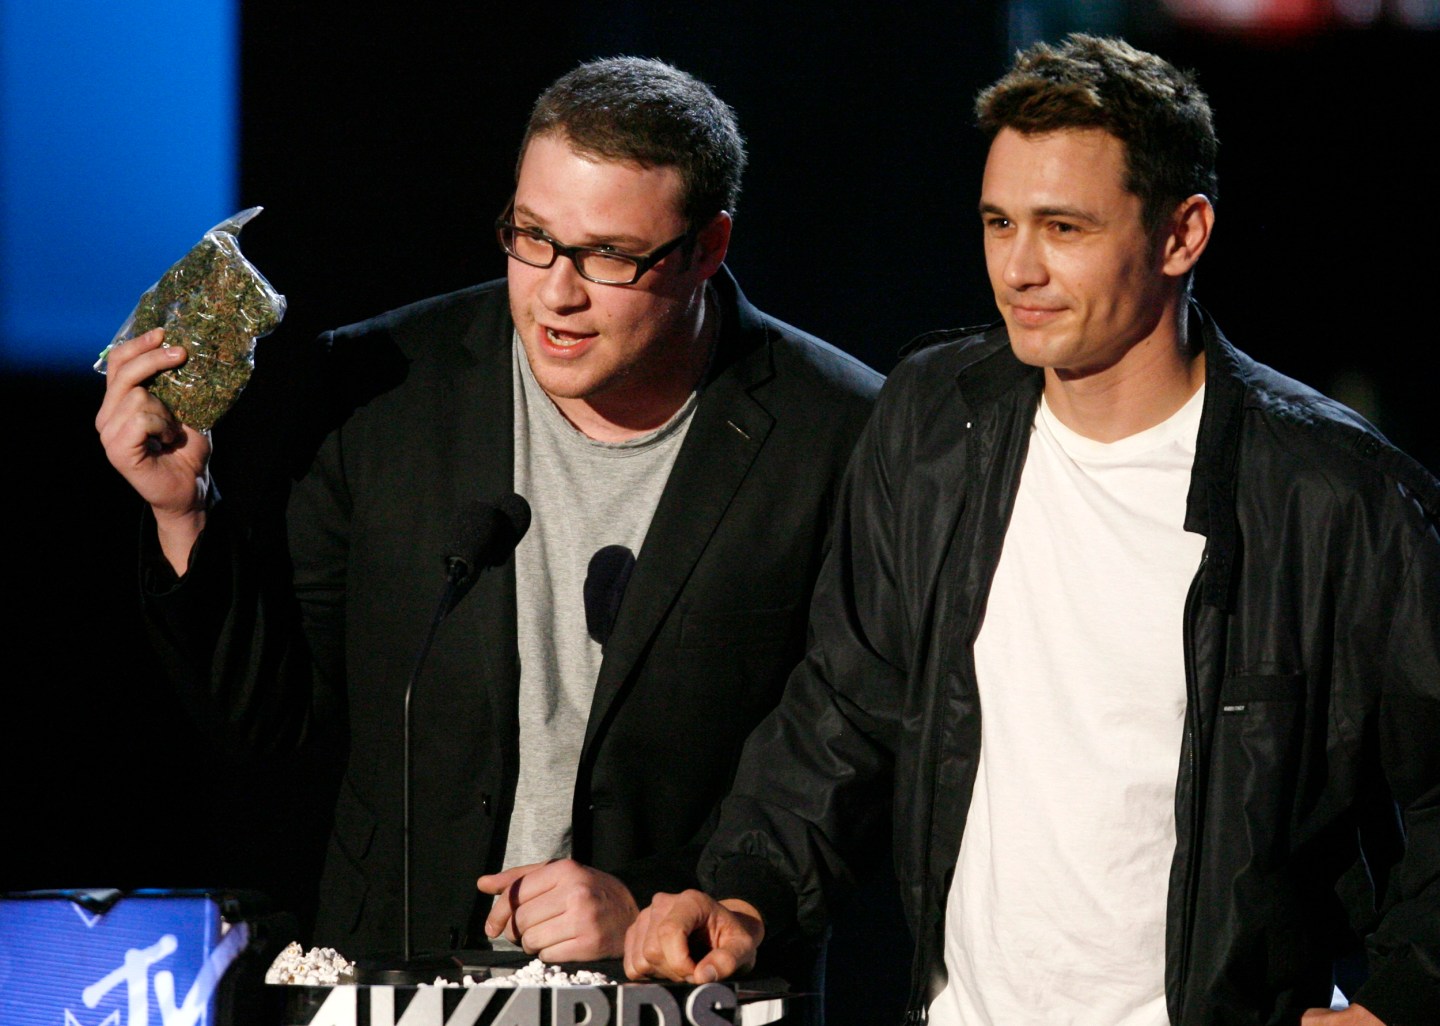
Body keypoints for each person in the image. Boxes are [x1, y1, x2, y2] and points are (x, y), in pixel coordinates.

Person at [623, 34, 1440, 1026]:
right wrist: (747, 888)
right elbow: (845, 706)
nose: (1020, 267)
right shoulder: (934, 420)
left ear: (1182, 234)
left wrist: (1398, 1002)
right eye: (999, 222)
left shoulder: (1333, 496)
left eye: (1064, 227)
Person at [95, 56, 881, 963]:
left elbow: (844, 761)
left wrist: (660, 904)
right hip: (401, 973)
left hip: (678, 988)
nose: (557, 291)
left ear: (708, 248)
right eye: (531, 236)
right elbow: (279, 722)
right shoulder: (378, 390)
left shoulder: (839, 435)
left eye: (609, 257)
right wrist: (185, 516)